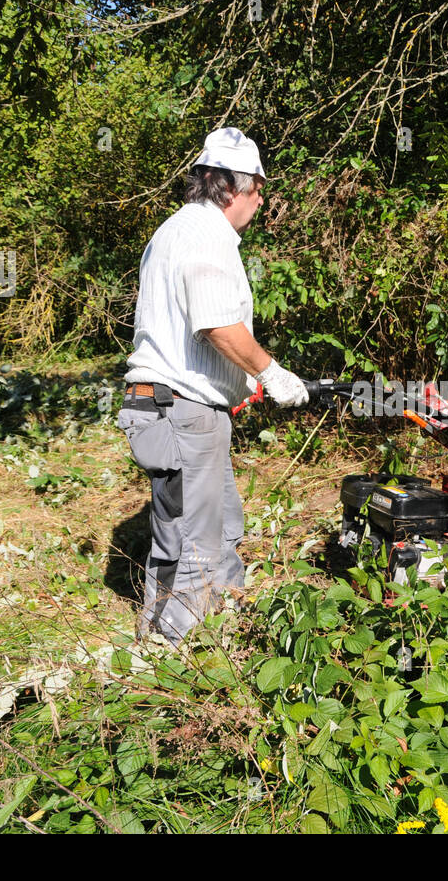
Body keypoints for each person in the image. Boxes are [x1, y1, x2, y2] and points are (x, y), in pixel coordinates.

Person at [119, 127, 309, 645]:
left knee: (216, 526)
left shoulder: (174, 230)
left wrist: (240, 384)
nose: (262, 201)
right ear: (231, 188)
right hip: (184, 414)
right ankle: (178, 652)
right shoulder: (207, 237)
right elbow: (216, 325)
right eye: (258, 190)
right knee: (195, 541)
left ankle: (225, 620)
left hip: (172, 410)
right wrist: (269, 371)